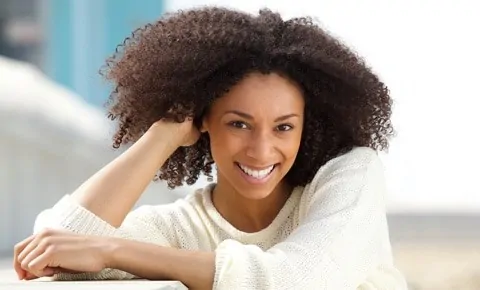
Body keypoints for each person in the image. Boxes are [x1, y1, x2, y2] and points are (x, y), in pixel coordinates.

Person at [12, 7, 407, 290]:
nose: (261, 149)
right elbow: (54, 251)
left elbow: (297, 279)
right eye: (239, 124)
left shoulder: (349, 177)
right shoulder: (180, 229)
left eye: (284, 127)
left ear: (308, 126)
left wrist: (113, 250)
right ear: (204, 122)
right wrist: (163, 135)